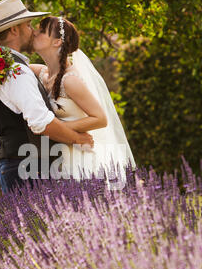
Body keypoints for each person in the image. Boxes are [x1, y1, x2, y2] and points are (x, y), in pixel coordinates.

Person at [0, 0, 94, 193]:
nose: (33, 30)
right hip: (27, 168)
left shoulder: (0, 68)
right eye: (28, 25)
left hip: (19, 164)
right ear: (14, 30)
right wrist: (77, 138)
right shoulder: (15, 72)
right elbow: (41, 123)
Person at [30, 16, 137, 186]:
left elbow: (100, 118)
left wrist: (58, 128)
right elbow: (16, 67)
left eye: (42, 31)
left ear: (57, 42)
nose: (34, 33)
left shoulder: (70, 80)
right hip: (56, 158)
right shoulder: (43, 73)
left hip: (77, 160)